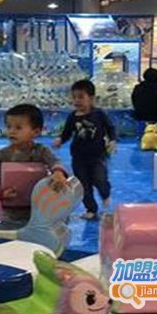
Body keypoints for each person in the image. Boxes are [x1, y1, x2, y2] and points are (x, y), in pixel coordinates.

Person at [0, 104, 68, 224]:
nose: (12, 131)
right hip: (11, 213)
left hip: (40, 211)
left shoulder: (42, 151)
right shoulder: (1, 156)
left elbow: (55, 161)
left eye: (18, 128)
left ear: (36, 132)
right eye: (9, 127)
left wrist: (58, 172)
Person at [53, 80, 116, 220]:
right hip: (78, 157)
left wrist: (113, 140)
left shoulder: (99, 114)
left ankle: (105, 193)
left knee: (99, 179)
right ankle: (91, 208)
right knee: (83, 184)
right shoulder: (72, 117)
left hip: (98, 155)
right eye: (74, 97)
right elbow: (67, 133)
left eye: (81, 97)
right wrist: (60, 140)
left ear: (91, 98)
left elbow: (110, 128)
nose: (77, 100)